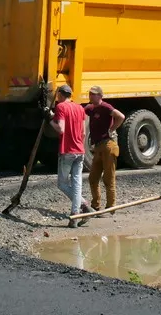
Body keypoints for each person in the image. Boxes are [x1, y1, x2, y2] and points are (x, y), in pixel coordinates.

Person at [47, 83, 88, 227]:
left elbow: (61, 129)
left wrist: (49, 120)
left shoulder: (61, 107)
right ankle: (77, 213)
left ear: (60, 95)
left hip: (67, 151)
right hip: (80, 150)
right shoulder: (80, 108)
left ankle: (82, 205)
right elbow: (83, 133)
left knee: (62, 184)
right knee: (77, 183)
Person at [85, 86, 125, 214]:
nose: (91, 96)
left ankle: (110, 207)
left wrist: (112, 129)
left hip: (108, 145)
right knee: (93, 178)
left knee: (108, 178)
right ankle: (95, 206)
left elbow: (121, 116)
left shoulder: (106, 107)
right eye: (90, 94)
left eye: (94, 94)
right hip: (97, 147)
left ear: (100, 96)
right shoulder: (90, 108)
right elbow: (80, 111)